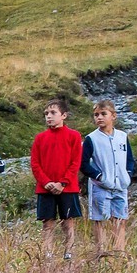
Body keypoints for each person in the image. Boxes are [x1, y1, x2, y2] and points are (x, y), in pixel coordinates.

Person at [30, 98, 83, 260]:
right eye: (46, 113)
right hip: (45, 188)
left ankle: (69, 252)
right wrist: (46, 182)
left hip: (68, 187)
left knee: (68, 221)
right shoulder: (40, 138)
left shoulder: (74, 136)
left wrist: (62, 182)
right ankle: (47, 254)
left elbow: (76, 162)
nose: (49, 116)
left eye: (53, 113)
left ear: (64, 115)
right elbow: (35, 163)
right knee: (47, 222)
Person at [81, 99, 136, 257]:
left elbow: (130, 159)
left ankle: (119, 251)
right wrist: (99, 176)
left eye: (103, 114)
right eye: (96, 115)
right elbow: (83, 163)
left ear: (113, 116)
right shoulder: (91, 139)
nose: (99, 117)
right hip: (101, 186)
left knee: (120, 218)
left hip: (120, 185)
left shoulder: (122, 136)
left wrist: (128, 175)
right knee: (100, 219)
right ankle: (101, 252)